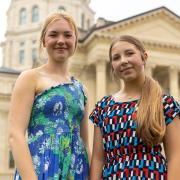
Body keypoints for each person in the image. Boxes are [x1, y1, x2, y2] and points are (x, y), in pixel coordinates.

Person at [8, 12, 90, 180]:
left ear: (75, 41)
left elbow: (84, 141)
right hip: (40, 168)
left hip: (76, 170)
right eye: (53, 34)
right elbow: (15, 135)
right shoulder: (29, 78)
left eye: (68, 35)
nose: (61, 40)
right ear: (44, 41)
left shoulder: (81, 89)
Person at [89, 35, 180, 180]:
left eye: (129, 53)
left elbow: (176, 158)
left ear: (144, 57)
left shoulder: (164, 103)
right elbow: (98, 159)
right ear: (112, 65)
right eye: (116, 57)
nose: (123, 61)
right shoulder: (103, 107)